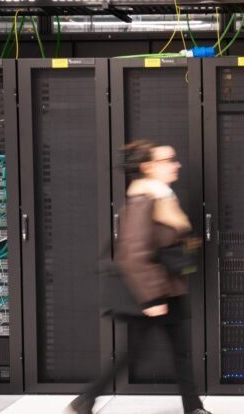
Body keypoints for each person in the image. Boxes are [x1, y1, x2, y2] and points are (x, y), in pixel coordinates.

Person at [70, 140, 211, 414]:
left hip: (169, 288)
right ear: (148, 167)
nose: (176, 164)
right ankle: (85, 399)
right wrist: (152, 298)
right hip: (152, 293)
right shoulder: (144, 200)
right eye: (168, 160)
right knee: (134, 354)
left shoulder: (162, 197)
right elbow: (132, 254)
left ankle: (193, 408)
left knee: (179, 352)